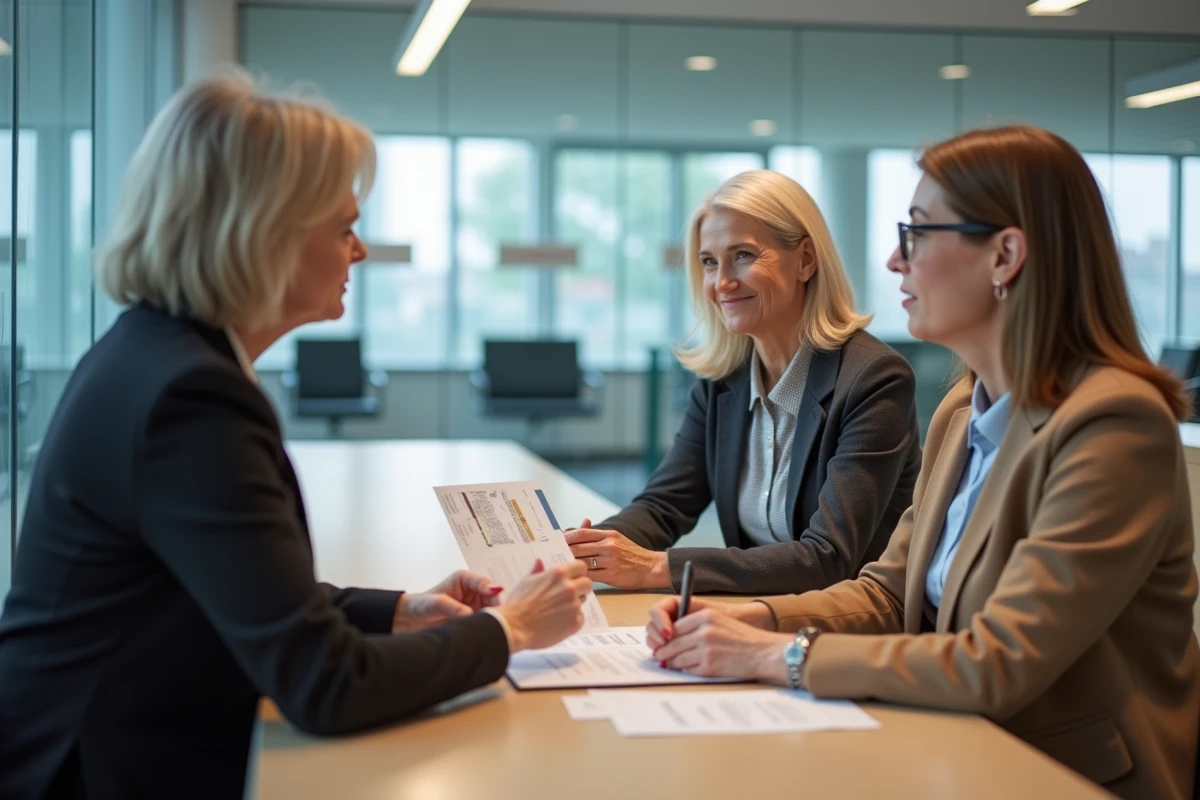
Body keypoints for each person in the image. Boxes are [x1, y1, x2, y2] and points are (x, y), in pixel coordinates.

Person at [0, 74, 593, 799]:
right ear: (266, 235)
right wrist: (512, 629)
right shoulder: (193, 397)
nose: (360, 251)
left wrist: (398, 611)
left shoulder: (153, 354)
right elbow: (326, 684)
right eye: (343, 228)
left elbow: (238, 586)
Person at [645, 126, 1199, 799]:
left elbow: (997, 661)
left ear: (1005, 256)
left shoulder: (1114, 424)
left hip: (1061, 774)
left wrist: (778, 654)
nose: (893, 260)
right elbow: (886, 593)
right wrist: (751, 618)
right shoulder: (961, 411)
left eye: (917, 234)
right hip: (948, 746)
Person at [566, 170, 921, 595]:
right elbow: (663, 506)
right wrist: (578, 552)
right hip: (753, 612)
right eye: (709, 262)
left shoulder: (874, 379)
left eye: (743, 255)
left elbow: (829, 557)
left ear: (805, 260)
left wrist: (657, 567)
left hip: (848, 619)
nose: (722, 283)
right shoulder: (724, 380)